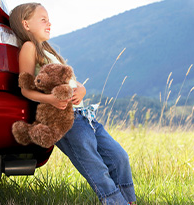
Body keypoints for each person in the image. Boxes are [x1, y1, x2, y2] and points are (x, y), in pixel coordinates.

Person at [9, 3, 136, 204]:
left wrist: (82, 88)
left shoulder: (48, 50)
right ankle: (115, 202)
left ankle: (128, 200)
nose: (49, 23)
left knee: (119, 156)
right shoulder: (29, 47)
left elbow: (71, 81)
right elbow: (25, 89)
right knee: (96, 167)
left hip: (85, 116)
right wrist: (51, 99)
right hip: (66, 121)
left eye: (49, 19)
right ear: (26, 24)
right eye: (43, 19)